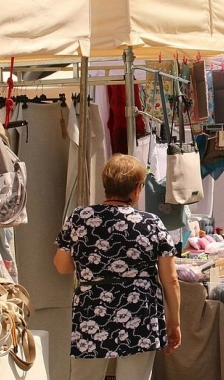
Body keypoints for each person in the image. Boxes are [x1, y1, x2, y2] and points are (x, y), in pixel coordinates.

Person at [53, 154, 181, 380]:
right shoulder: (151, 223)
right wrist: (174, 323)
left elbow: (62, 266)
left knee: (85, 377)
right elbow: (170, 279)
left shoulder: (79, 218)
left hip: (92, 308)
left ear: (106, 185)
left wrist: (93, 261)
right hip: (140, 311)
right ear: (137, 189)